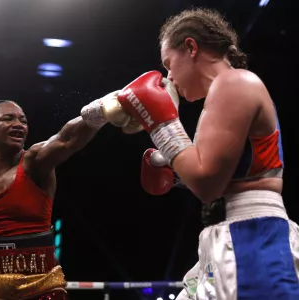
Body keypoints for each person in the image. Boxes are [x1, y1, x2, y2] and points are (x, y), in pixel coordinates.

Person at [115, 7, 299, 300]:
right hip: (235, 236)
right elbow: (222, 175)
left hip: (251, 238)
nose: (169, 77)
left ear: (190, 47)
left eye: (168, 64)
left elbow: (206, 183)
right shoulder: (223, 94)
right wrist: (174, 172)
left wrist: (160, 124)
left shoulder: (235, 82)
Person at [0, 94, 138, 300]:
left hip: (40, 283)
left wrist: (101, 109)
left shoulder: (35, 162)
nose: (19, 124)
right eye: (8, 118)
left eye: (23, 120)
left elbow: (66, 139)